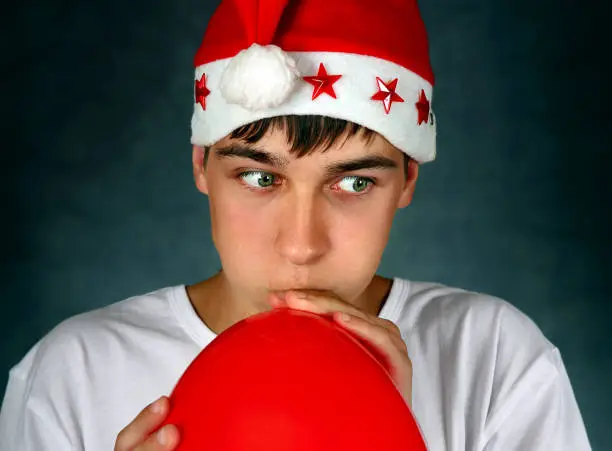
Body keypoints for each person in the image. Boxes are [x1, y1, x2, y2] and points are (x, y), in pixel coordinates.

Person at [0, 0, 592, 450]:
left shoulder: (492, 358)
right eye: (261, 178)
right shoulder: (73, 371)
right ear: (201, 165)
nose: (301, 245)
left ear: (408, 180)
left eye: (354, 183)